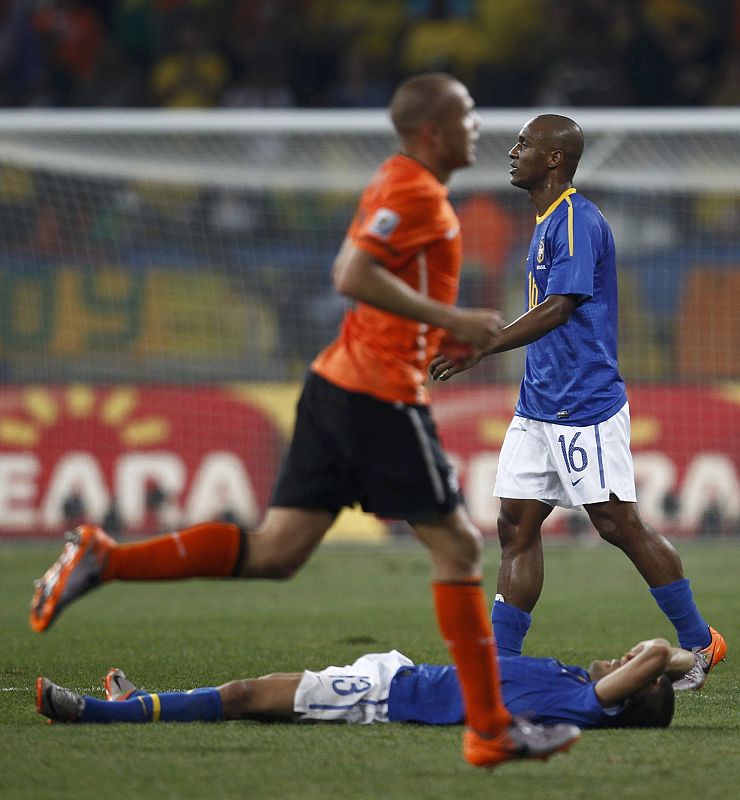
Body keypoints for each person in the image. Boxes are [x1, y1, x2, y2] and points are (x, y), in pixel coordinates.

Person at [29, 74, 579, 768]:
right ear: (434, 130)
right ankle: (491, 730)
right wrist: (452, 318)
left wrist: (441, 337)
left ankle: (106, 559)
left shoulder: (405, 184)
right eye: (467, 115)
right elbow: (352, 273)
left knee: (277, 552)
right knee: (459, 551)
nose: (480, 129)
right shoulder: (413, 191)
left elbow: (384, 290)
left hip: (338, 385)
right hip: (377, 397)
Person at [429, 114, 727, 689]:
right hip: (537, 402)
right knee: (515, 524)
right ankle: (501, 666)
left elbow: (560, 307)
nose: (512, 152)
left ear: (554, 159)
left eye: (524, 144)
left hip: (583, 400)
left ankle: (700, 643)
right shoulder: (546, 221)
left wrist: (483, 347)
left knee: (617, 524)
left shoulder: (575, 219)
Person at [37, 635, 701, 733]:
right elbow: (646, 659)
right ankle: (137, 703)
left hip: (384, 698)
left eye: (629, 671)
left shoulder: (587, 704)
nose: (621, 657)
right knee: (251, 695)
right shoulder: (574, 684)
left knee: (245, 695)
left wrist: (687, 657)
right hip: (396, 674)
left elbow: (651, 654)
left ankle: (98, 713)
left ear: (631, 695)